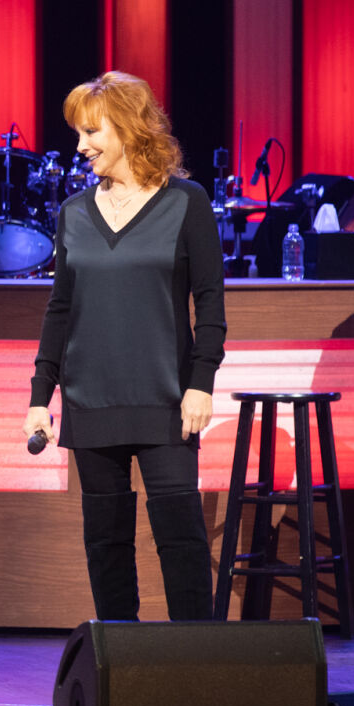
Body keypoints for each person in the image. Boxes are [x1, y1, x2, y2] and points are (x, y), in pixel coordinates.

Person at [22, 72, 226, 621]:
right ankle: (122, 662)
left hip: (164, 400)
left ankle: (197, 664)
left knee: (181, 542)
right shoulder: (73, 212)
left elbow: (209, 307)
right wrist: (41, 397)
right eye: (79, 134)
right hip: (91, 402)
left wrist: (200, 384)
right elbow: (60, 311)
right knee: (106, 546)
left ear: (131, 129)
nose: (81, 145)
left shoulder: (187, 203)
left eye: (91, 132)